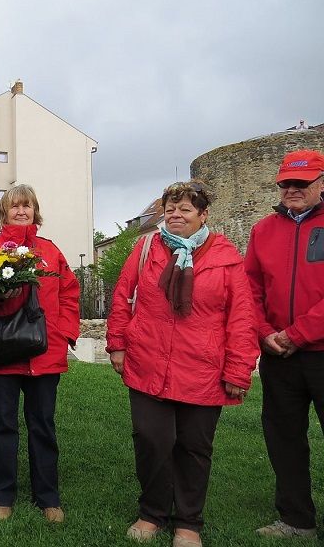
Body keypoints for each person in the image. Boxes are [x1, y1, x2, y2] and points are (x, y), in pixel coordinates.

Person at [106, 181, 258, 547]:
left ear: (204, 215)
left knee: (193, 447)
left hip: (202, 369)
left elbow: (242, 317)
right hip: (147, 362)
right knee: (151, 440)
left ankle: (188, 523)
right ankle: (152, 513)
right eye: (170, 209)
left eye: (185, 209)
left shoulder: (226, 257)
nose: (175, 215)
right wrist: (117, 344)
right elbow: (123, 295)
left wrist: (239, 368)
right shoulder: (145, 248)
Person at [0, 184, 80, 523]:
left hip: (45, 353)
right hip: (0, 352)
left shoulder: (50, 252)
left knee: (42, 425)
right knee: (1, 425)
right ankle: (0, 493)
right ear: (5, 212)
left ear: (35, 210)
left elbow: (69, 292)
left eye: (27, 206)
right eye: (15, 206)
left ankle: (48, 496)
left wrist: (67, 332)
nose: (21, 212)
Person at [244, 150, 324, 539]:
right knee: (283, 437)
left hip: (319, 350)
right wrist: (263, 332)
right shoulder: (263, 230)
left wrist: (297, 333)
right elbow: (251, 288)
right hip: (279, 356)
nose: (292, 190)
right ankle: (296, 520)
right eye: (286, 183)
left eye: (302, 183)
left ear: (320, 184)